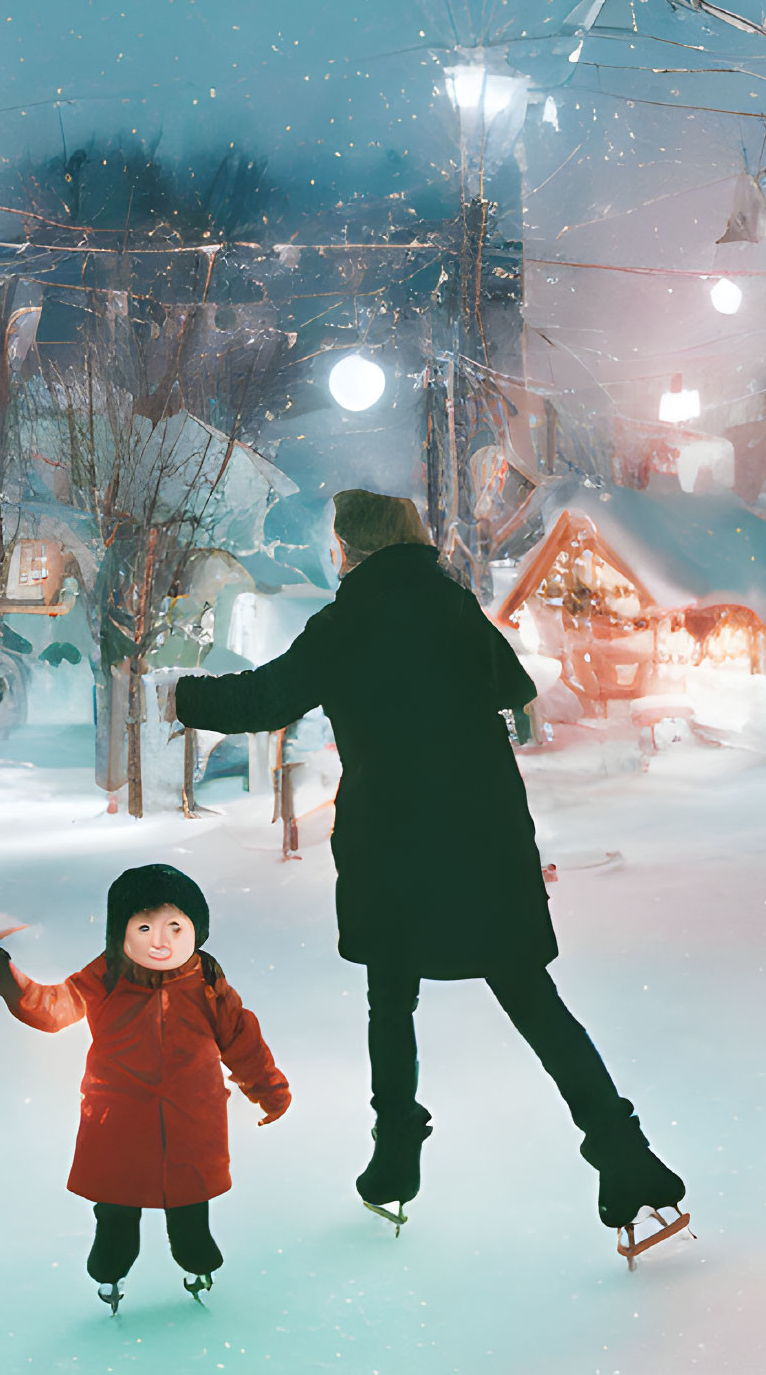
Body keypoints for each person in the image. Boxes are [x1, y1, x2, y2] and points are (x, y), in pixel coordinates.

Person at [173, 489, 685, 1243]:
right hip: (483, 834)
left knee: (392, 998)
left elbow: (265, 699)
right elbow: (514, 688)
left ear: (354, 546)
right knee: (532, 999)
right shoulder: (450, 607)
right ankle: (625, 1155)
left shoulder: (348, 621)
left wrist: (180, 693)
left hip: (396, 840)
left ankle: (396, 1157)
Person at [0, 862, 290, 1312]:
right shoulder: (104, 978)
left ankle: (197, 1262)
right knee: (117, 1212)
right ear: (120, 932)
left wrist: (268, 1088)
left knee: (190, 1207)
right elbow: (48, 1008)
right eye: (144, 927)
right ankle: (110, 1272)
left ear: (195, 931)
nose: (160, 941)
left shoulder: (207, 984)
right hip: (118, 1121)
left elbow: (242, 1039)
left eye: (175, 927)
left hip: (191, 1120)